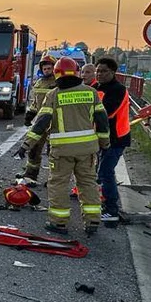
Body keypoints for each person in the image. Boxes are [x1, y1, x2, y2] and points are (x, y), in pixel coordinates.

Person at [20, 56, 109, 235]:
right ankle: (92, 221)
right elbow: (102, 120)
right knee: (88, 184)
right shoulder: (90, 93)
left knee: (59, 185)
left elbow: (41, 122)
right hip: (87, 151)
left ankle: (59, 222)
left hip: (62, 151)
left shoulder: (53, 95)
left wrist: (26, 145)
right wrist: (104, 143)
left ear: (56, 74)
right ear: (77, 72)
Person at [95, 57, 131, 222]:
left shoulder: (118, 89)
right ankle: (105, 204)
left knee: (105, 173)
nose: (99, 74)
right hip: (101, 138)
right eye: (98, 70)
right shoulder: (96, 87)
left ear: (112, 72)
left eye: (103, 71)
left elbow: (107, 112)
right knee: (101, 172)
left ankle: (112, 210)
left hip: (116, 138)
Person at [19, 54, 56, 184]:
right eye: (44, 69)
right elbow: (35, 103)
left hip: (54, 124)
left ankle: (53, 179)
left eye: (49, 68)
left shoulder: (58, 83)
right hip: (40, 123)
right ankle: (31, 175)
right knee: (34, 150)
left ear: (54, 68)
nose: (47, 71)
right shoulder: (39, 83)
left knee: (53, 154)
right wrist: (29, 116)